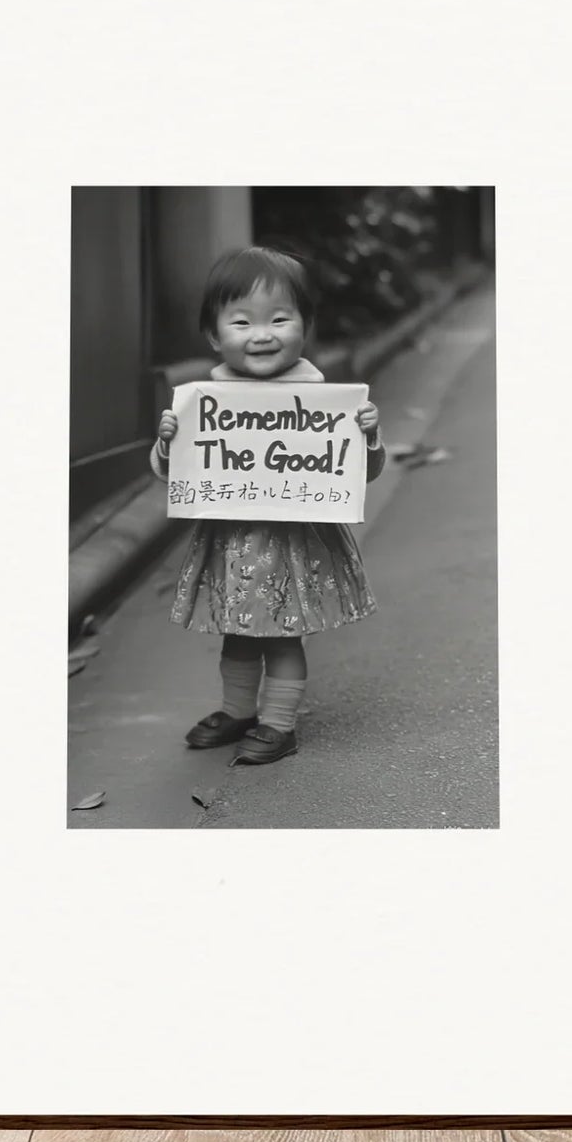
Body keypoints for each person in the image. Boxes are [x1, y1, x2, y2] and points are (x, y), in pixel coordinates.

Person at [151, 245, 384, 765]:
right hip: (231, 541)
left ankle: (278, 723)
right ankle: (239, 710)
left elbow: (357, 472)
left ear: (305, 326)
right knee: (237, 633)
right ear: (215, 335)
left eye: (280, 319)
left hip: (290, 543)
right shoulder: (205, 398)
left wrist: (368, 437)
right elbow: (178, 474)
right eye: (241, 322)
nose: (262, 333)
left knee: (281, 635)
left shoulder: (322, 397)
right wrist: (169, 442)